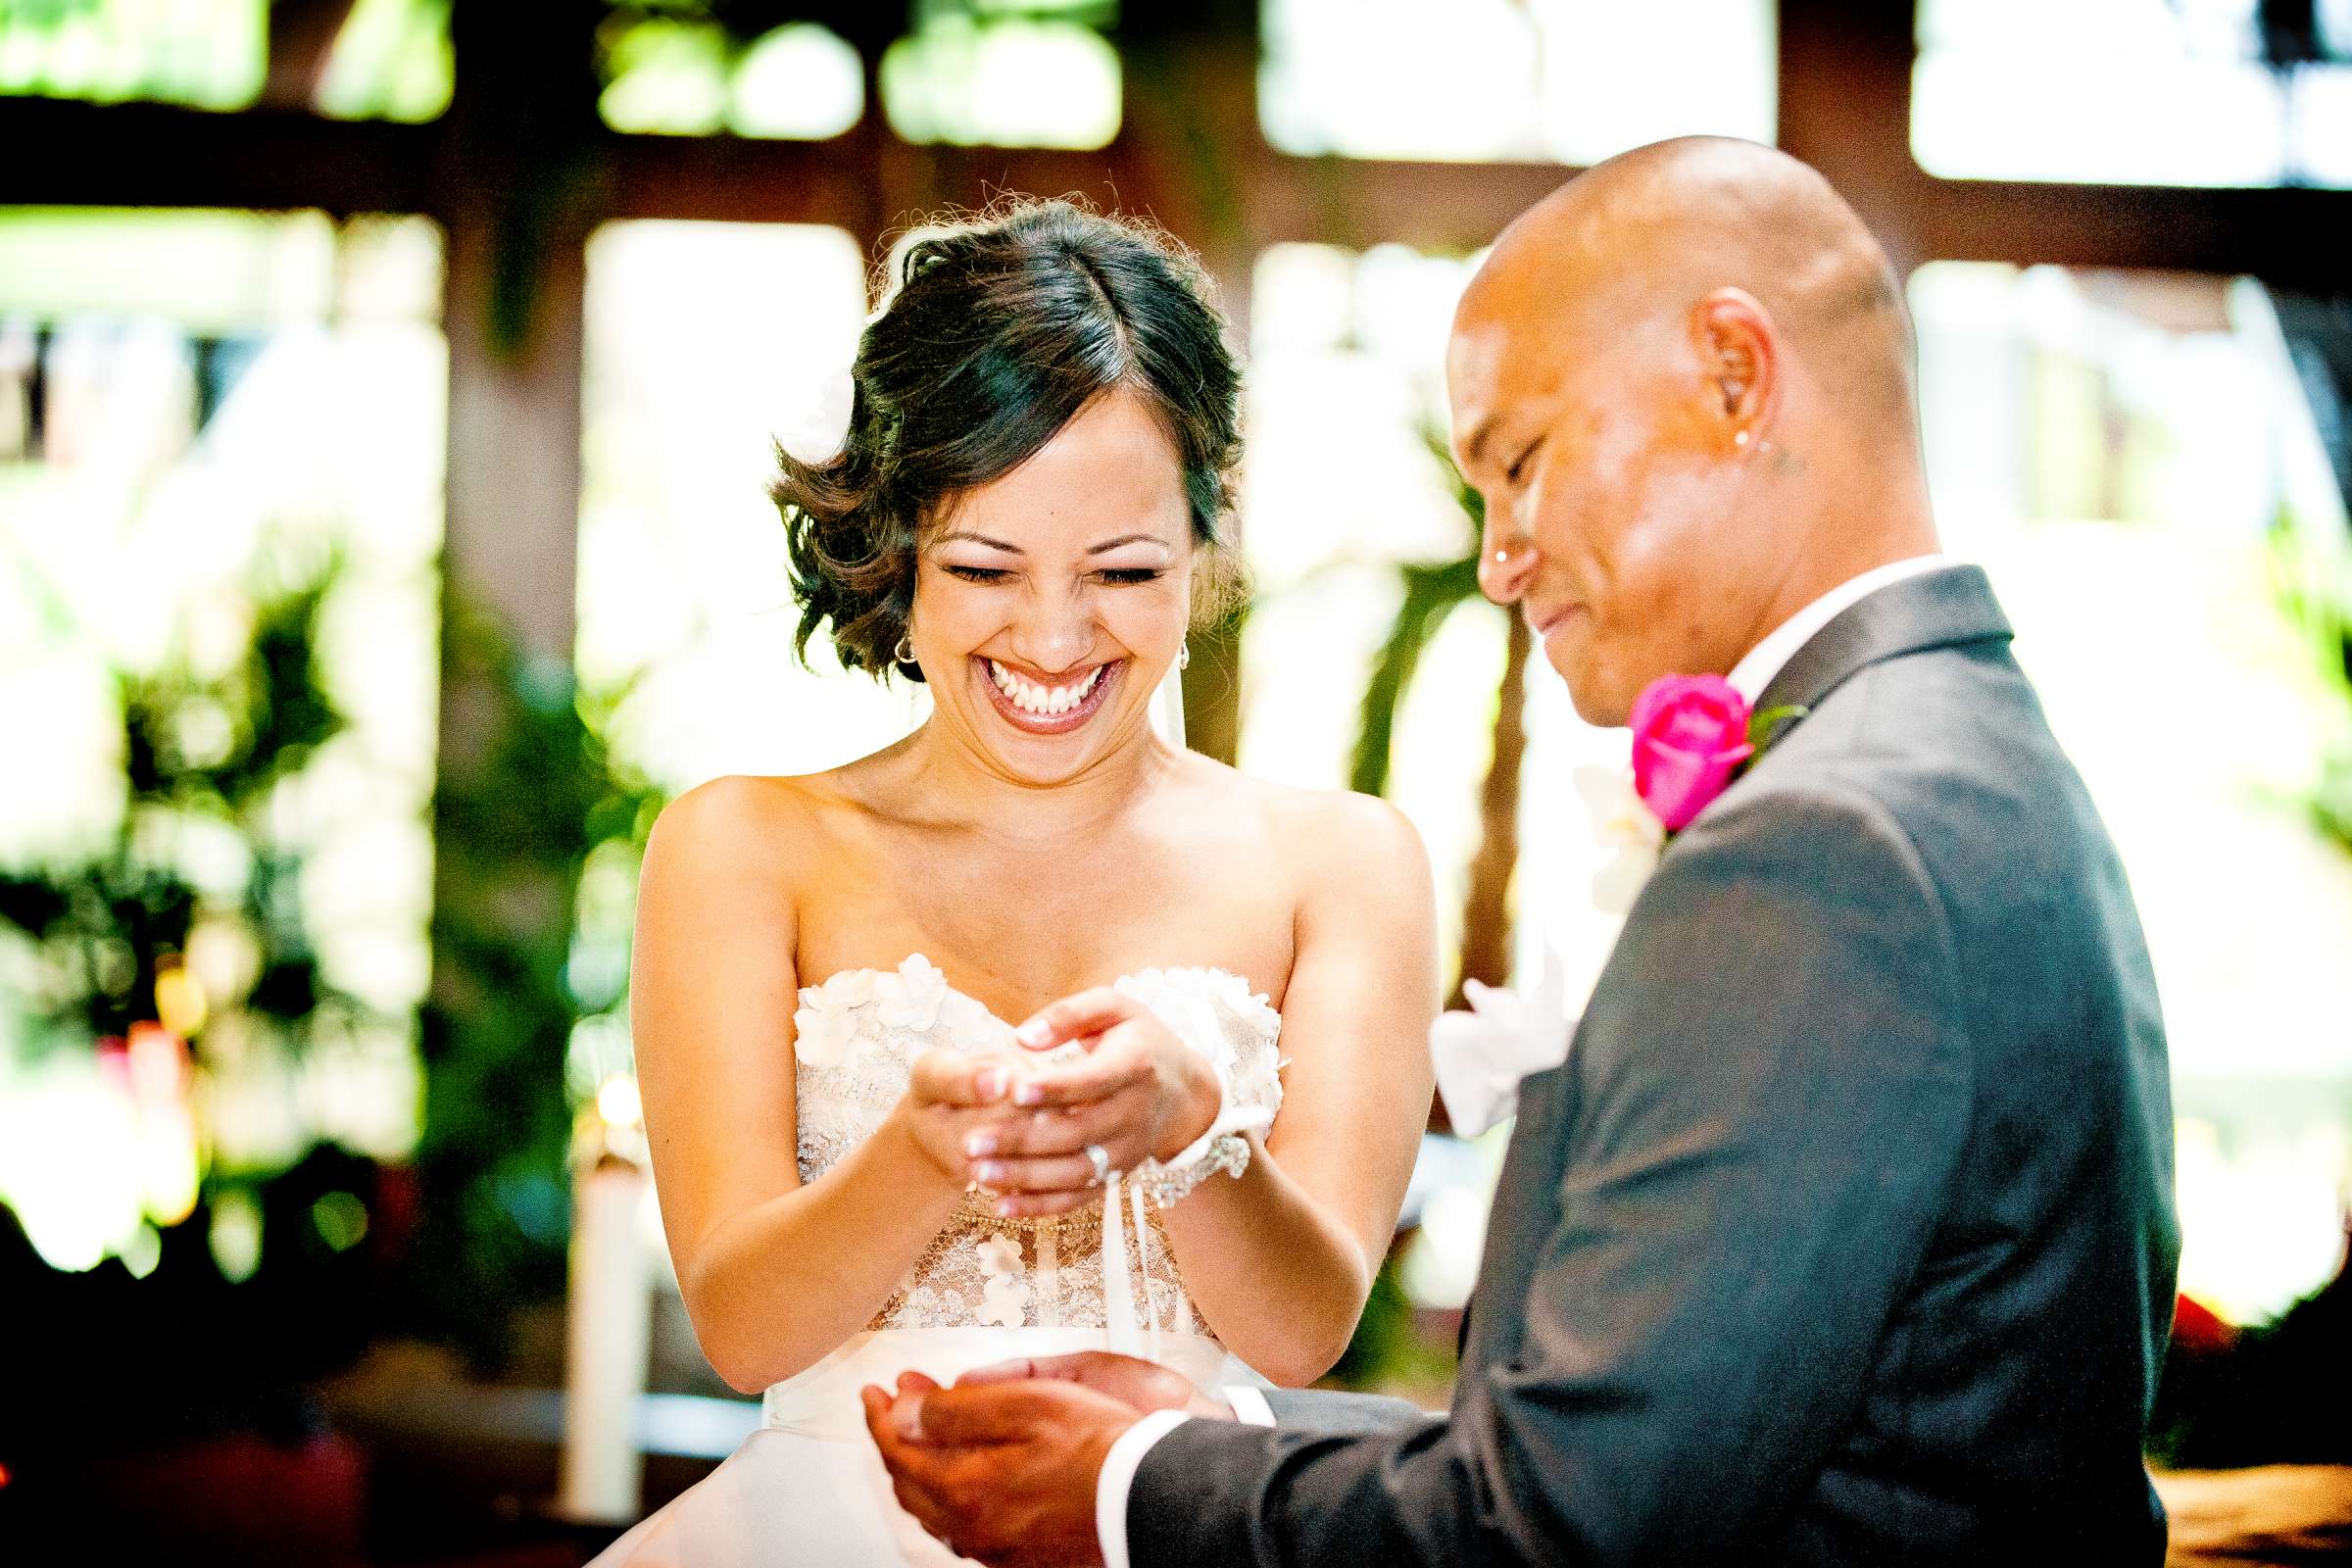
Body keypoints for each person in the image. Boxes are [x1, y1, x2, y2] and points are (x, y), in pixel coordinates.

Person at [866, 137, 2181, 1565]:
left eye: (1522, 462)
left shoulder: (1826, 845)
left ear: (1734, 377)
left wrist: (1130, 1497)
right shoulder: (1959, 752)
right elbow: (1660, 1445)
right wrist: (1195, 1439)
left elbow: (1558, 1533)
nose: (1498, 558)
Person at [592, 200, 1438, 1567]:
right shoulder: (742, 849)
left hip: (1177, 1525)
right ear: (894, 545)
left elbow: (1302, 1332)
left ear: (1205, 545)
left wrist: (1191, 1134)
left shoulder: (1342, 865)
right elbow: (746, 1328)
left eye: (1123, 572)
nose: (1053, 638)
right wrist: (926, 1153)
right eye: (986, 567)